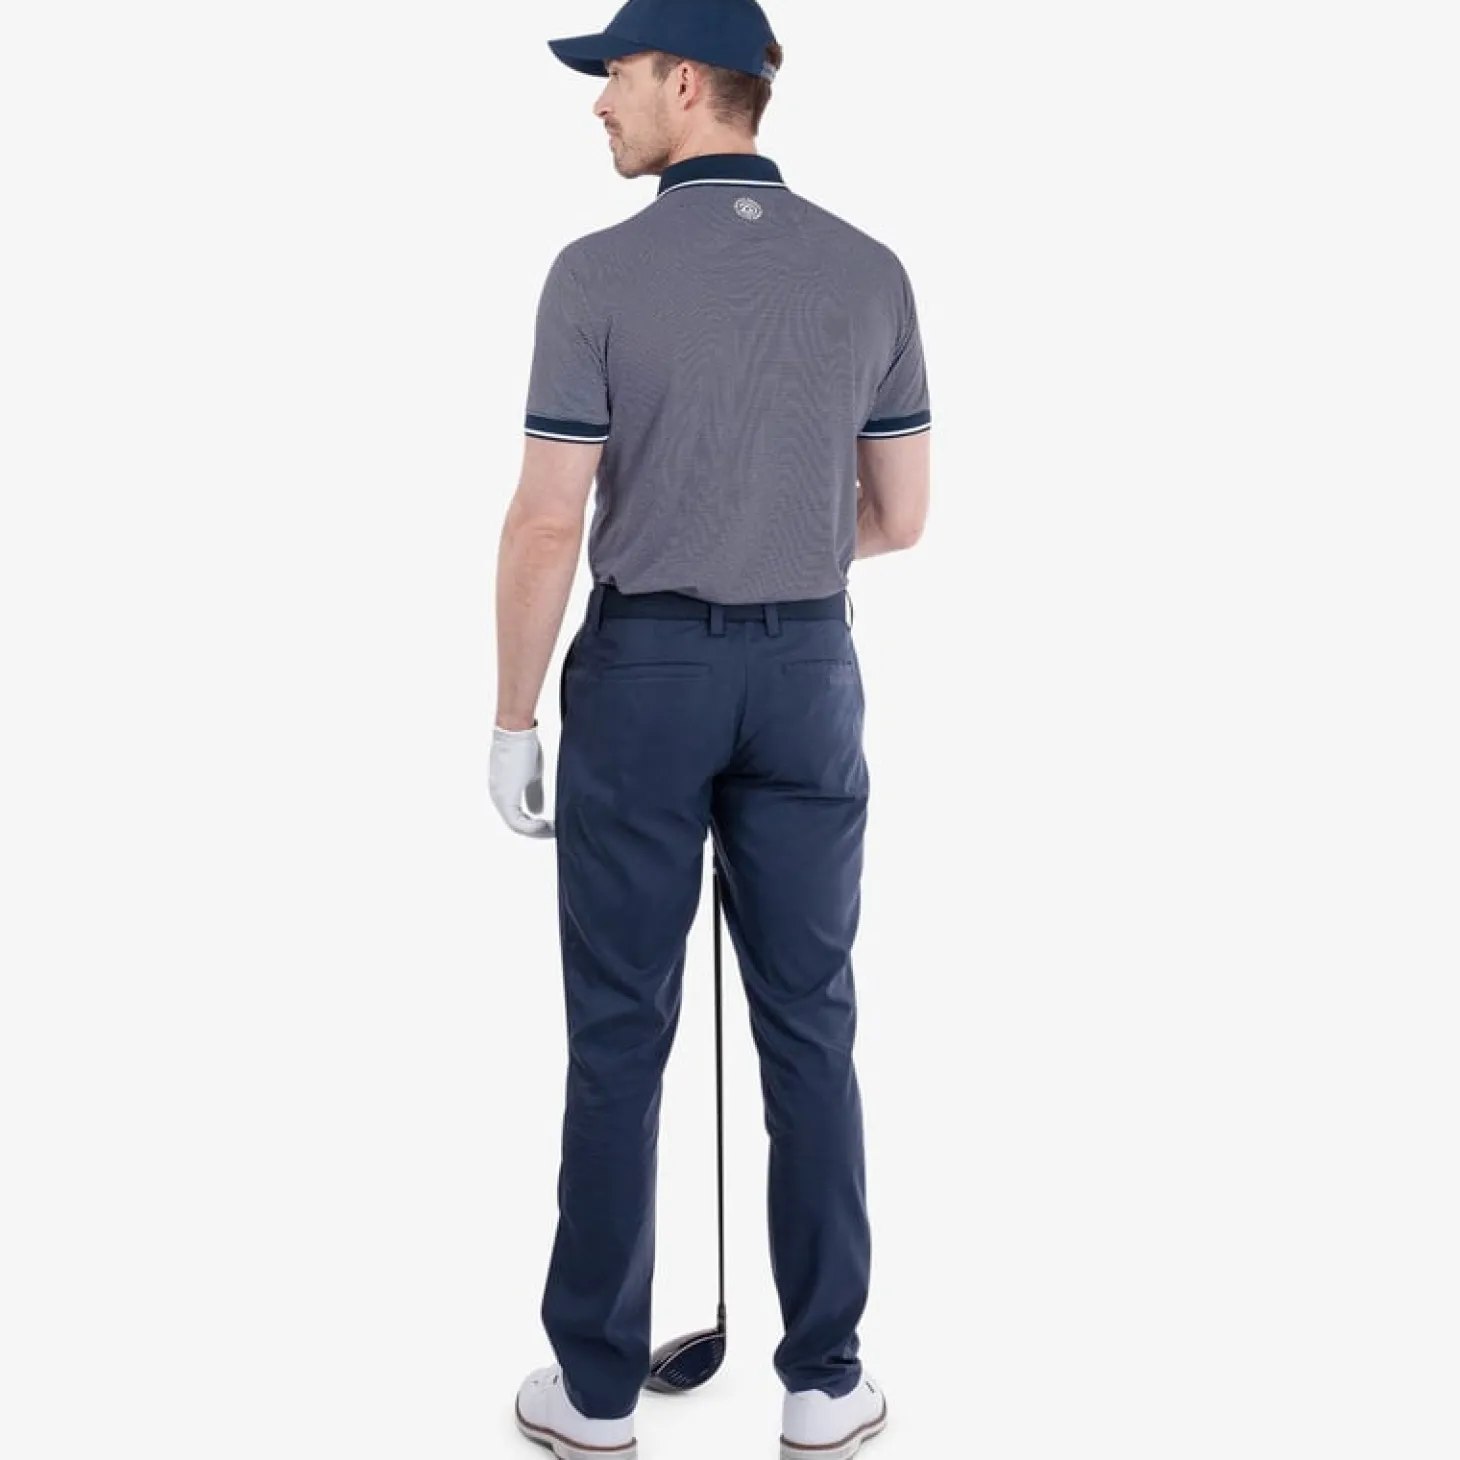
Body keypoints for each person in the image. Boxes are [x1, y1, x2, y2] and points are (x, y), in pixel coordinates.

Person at [489, 0, 931, 1454]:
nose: (597, 102)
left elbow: (549, 522)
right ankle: (824, 1381)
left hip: (647, 677)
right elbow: (900, 516)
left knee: (622, 1032)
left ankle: (595, 1395)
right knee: (811, 1024)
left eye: (614, 74)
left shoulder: (596, 274)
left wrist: (511, 716)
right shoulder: (870, 271)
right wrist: (771, 531)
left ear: (684, 81)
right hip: (807, 673)